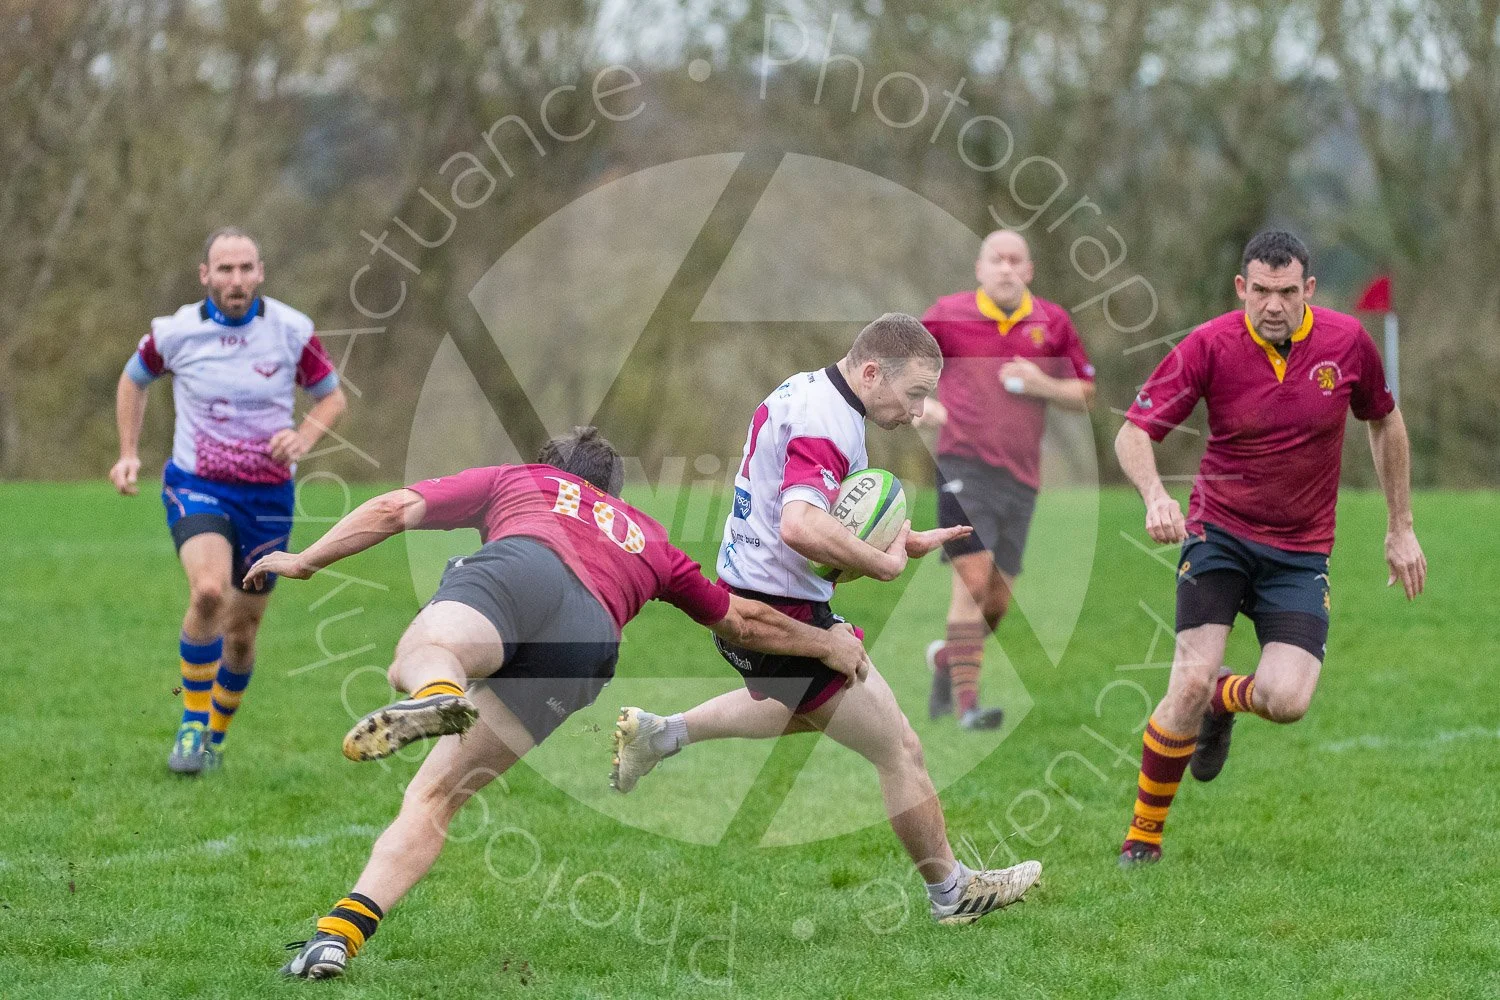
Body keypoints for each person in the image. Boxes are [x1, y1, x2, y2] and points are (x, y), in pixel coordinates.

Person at [245, 427, 873, 979]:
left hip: (526, 567)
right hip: (589, 642)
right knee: (439, 796)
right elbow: (740, 620)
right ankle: (339, 936)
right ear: (614, 491)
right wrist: (828, 644)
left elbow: (393, 507)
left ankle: (438, 694)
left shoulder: (520, 479)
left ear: (549, 466)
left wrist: (305, 561)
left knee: (424, 651)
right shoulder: (651, 538)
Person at [611, 314, 1044, 926]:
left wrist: (901, 539)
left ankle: (661, 735)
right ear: (871, 373)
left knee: (798, 709)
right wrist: (883, 565)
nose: (920, 411)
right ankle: (952, 892)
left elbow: (814, 513)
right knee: (900, 747)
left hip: (758, 592)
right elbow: (800, 525)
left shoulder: (810, 389)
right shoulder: (828, 422)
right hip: (777, 613)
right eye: (915, 393)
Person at [1115, 230, 1426, 865]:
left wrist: (1401, 527)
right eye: (1261, 291)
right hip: (1218, 535)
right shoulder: (1210, 344)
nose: (1274, 305)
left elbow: (1384, 421)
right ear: (1242, 288)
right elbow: (1134, 432)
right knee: (1188, 679)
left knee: (1287, 701)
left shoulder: (1347, 342)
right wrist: (1155, 496)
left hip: (1300, 552)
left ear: (1309, 288)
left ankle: (1224, 700)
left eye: (1287, 292)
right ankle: (1142, 840)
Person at [110, 227, 346, 774]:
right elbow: (132, 380)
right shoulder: (175, 332)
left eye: (245, 268)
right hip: (198, 485)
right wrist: (128, 452)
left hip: (267, 497)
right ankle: (192, 723)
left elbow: (331, 398)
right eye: (224, 269)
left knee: (242, 634)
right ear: (205, 275)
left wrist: (303, 438)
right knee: (210, 592)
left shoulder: (291, 330)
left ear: (260, 272)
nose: (235, 280)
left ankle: (213, 737)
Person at [914, 230, 1096, 729]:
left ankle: (946, 660)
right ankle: (968, 708)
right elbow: (895, 360)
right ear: (980, 268)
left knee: (996, 604)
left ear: (1029, 270)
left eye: (1016, 260)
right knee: (972, 582)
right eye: (997, 259)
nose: (1007, 268)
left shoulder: (1052, 322)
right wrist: (920, 402)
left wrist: (1043, 384)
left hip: (1021, 476)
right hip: (962, 465)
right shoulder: (948, 314)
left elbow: (1085, 392)